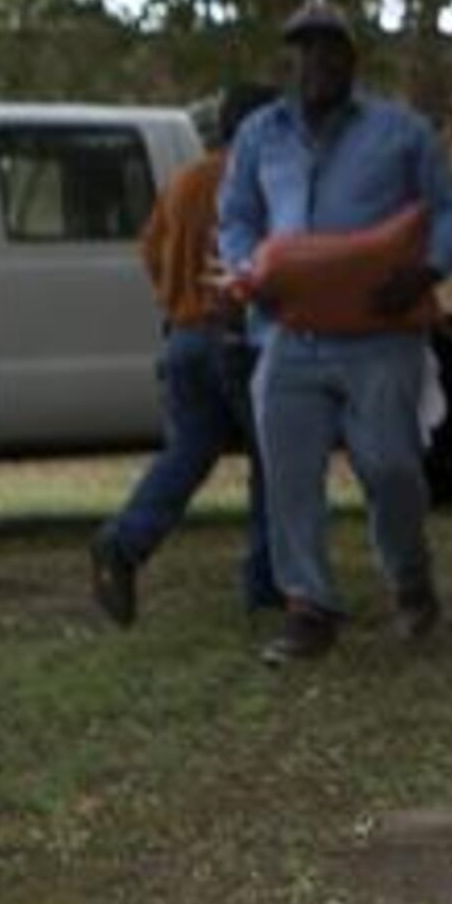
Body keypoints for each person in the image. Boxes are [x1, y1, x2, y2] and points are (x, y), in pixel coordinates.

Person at [217, 2, 452, 666]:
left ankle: (411, 581)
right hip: (288, 333)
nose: (315, 63)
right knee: (288, 474)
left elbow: (449, 210)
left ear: (352, 60)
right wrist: (249, 271)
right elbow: (237, 217)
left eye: (329, 49)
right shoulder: (258, 135)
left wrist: (425, 272)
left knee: (390, 466)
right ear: (289, 62)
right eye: (302, 51)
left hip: (380, 334)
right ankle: (309, 607)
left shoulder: (400, 131)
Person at [90, 84, 281, 627]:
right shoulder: (258, 182)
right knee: (273, 459)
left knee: (188, 453)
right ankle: (265, 584)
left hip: (183, 339)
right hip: (237, 336)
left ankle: (123, 543)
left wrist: (176, 299)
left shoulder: (183, 182)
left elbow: (149, 249)